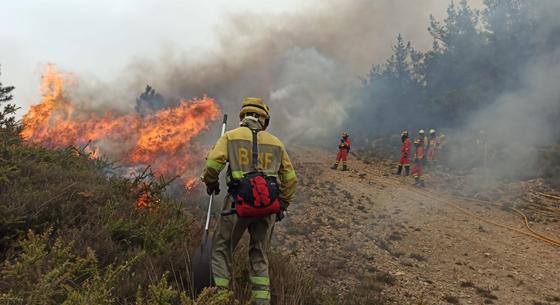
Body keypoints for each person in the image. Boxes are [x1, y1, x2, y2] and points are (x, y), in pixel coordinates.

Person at [201, 97, 297, 305]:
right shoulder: (276, 143)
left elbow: (212, 165)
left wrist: (211, 183)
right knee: (260, 254)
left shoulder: (231, 137)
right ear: (264, 119)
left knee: (222, 249)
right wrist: (282, 204)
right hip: (267, 209)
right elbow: (290, 179)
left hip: (237, 205)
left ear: (243, 116)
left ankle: (220, 298)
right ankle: (261, 301)